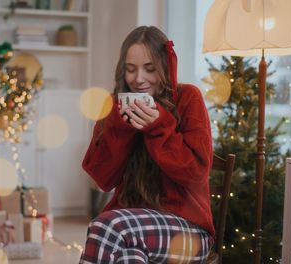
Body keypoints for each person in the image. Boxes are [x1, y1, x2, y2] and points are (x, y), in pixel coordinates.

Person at [80, 26, 214, 264]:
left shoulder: (188, 98)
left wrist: (158, 126)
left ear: (165, 66)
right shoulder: (115, 106)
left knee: (107, 227)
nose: (138, 79)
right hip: (134, 226)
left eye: (150, 69)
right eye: (131, 70)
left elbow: (196, 174)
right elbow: (103, 179)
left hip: (188, 231)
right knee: (127, 256)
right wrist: (119, 125)